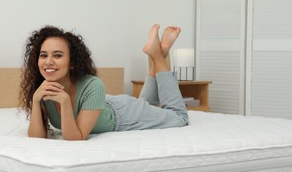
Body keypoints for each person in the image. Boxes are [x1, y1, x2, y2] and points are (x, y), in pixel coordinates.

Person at [19, 24, 189, 140]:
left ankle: (158, 56)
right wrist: (35, 101)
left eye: (57, 55)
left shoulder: (93, 84)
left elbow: (76, 138)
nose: (48, 61)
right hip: (103, 106)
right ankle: (158, 53)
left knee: (179, 117)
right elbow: (36, 138)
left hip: (124, 116)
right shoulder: (42, 88)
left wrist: (64, 103)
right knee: (146, 104)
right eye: (43, 55)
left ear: (72, 62)